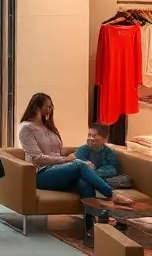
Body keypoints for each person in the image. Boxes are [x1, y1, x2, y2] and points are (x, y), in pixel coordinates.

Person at [18, 93, 132, 225]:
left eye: (51, 107)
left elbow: (57, 153)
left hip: (57, 170)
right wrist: (66, 160)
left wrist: (73, 161)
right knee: (80, 165)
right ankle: (112, 195)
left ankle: (91, 225)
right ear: (37, 107)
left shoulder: (49, 128)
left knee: (84, 181)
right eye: (47, 107)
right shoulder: (27, 129)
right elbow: (36, 158)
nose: (50, 110)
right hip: (40, 174)